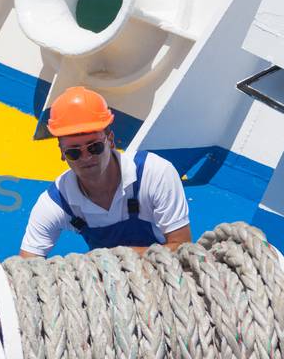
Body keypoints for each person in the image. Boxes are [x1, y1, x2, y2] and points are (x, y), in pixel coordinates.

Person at [20, 87, 191, 256]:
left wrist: (118, 256)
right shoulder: (56, 202)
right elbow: (26, 265)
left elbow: (182, 247)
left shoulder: (154, 173)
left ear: (110, 141)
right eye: (74, 152)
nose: (86, 157)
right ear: (62, 154)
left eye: (94, 147)